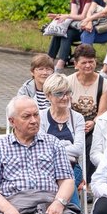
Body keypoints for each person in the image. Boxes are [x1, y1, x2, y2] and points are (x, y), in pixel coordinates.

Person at [38, 74, 86, 206]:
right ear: (48, 95)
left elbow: (79, 149)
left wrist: (55, 147)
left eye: (68, 93)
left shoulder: (77, 118)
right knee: (64, 181)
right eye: (59, 93)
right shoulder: (41, 117)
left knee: (67, 177)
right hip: (46, 169)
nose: (65, 98)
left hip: (72, 167)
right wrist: (66, 145)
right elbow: (41, 149)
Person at [66, 43, 107, 180]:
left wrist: (93, 122)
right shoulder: (68, 82)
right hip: (72, 122)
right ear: (76, 64)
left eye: (91, 62)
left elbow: (102, 112)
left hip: (93, 123)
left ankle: (88, 182)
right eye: (84, 62)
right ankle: (70, 177)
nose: (88, 65)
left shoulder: (104, 84)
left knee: (92, 142)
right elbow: (65, 107)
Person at [47, 0, 96, 72]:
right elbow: (73, 15)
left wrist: (65, 16)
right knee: (59, 32)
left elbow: (83, 16)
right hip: (77, 25)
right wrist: (59, 16)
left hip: (87, 27)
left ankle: (61, 62)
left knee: (67, 33)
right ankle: (49, 60)